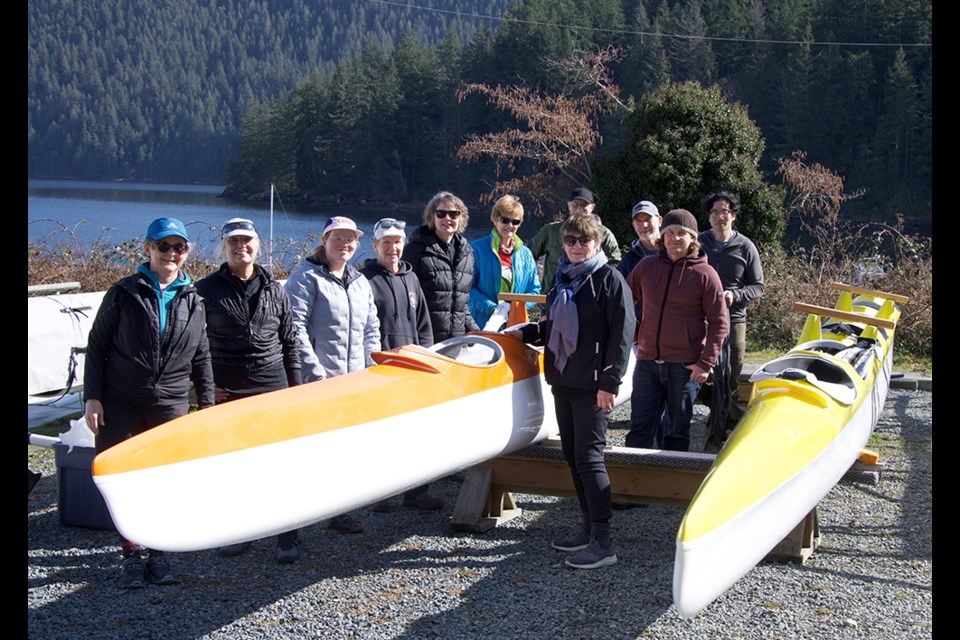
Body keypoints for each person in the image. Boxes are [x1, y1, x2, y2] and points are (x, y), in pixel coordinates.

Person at [83, 217, 214, 588]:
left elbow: (202, 356)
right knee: (125, 481)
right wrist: (92, 397)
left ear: (186, 252)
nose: (171, 253)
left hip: (170, 404)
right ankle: (131, 556)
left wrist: (206, 407)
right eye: (163, 246)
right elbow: (97, 347)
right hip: (121, 400)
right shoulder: (123, 293)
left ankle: (160, 554)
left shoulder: (193, 298)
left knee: (165, 480)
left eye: (179, 247)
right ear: (147, 249)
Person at [510, 214, 634, 570]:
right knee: (572, 457)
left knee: (590, 459)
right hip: (563, 380)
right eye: (570, 240)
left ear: (597, 242)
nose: (577, 246)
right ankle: (586, 528)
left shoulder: (609, 280)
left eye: (584, 240)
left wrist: (609, 384)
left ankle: (605, 542)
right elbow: (554, 327)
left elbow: (621, 336)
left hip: (593, 385)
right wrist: (531, 334)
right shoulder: (562, 278)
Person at [195, 217, 303, 563]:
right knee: (234, 464)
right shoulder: (205, 290)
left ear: (258, 245)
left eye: (247, 241)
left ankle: (288, 533)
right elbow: (194, 345)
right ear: (223, 247)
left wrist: (297, 391)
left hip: (273, 385)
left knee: (281, 464)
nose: (241, 247)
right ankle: (239, 531)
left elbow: (290, 342)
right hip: (227, 386)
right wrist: (205, 389)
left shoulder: (275, 288)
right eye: (233, 242)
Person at [284, 215, 380, 534]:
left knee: (345, 448)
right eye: (337, 238)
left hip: (354, 380)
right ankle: (295, 518)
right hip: (321, 381)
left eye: (350, 239)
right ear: (324, 241)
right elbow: (294, 328)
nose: (344, 244)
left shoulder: (359, 280)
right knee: (312, 449)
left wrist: (371, 368)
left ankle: (339, 512)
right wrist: (315, 373)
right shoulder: (306, 277)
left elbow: (371, 327)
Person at [626, 209, 728, 452]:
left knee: (676, 434)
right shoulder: (646, 266)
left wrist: (705, 364)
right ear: (662, 237)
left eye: (681, 233)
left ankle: (669, 486)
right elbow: (623, 301)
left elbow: (719, 322)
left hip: (684, 367)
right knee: (639, 430)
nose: (674, 238)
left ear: (693, 238)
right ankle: (629, 485)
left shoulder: (706, 274)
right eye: (669, 233)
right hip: (647, 362)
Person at [359, 217, 443, 512]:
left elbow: (423, 323)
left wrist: (427, 358)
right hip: (381, 369)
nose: (392, 248)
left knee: (416, 432)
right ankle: (380, 493)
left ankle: (417, 492)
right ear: (375, 246)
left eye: (397, 243)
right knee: (382, 433)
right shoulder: (364, 280)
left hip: (412, 367)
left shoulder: (411, 277)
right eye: (386, 243)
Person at [698, 191, 765, 431]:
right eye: (714, 212)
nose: (719, 217)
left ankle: (725, 419)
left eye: (724, 211)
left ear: (733, 215)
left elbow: (758, 287)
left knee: (732, 371)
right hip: (700, 317)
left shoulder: (745, 246)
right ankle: (720, 412)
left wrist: (734, 295)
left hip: (734, 318)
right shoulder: (699, 242)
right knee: (700, 370)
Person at [401, 191, 480, 343]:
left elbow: (461, 304)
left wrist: (476, 332)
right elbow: (407, 301)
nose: (447, 219)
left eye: (453, 214)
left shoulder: (467, 254)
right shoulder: (415, 251)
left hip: (456, 342)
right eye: (441, 213)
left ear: (461, 217)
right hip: (424, 341)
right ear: (432, 216)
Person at [527, 187, 622, 291]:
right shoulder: (550, 231)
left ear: (592, 207)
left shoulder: (604, 234)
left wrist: (601, 284)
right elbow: (528, 256)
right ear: (568, 205)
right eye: (575, 204)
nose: (579, 209)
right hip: (554, 297)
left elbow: (615, 263)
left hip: (591, 298)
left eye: (584, 205)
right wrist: (533, 287)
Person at [469, 194, 541, 329]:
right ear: (495, 219)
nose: (510, 225)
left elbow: (534, 290)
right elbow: (468, 288)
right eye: (505, 220)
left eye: (515, 222)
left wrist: (515, 309)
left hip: (515, 326)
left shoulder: (526, 254)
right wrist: (492, 309)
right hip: (481, 324)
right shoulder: (476, 249)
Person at [616, 200, 661, 280]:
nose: (644, 225)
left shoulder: (672, 251)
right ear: (633, 225)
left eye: (648, 219)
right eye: (639, 221)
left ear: (659, 221)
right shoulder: (628, 260)